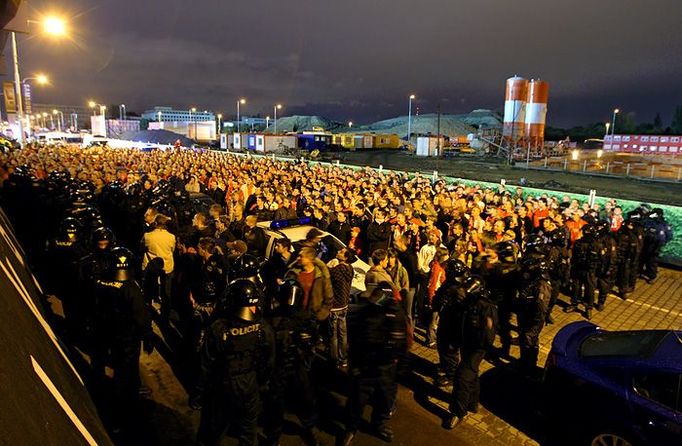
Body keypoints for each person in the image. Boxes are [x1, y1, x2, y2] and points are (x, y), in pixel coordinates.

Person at [193, 279, 275, 446]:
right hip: (250, 384)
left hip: (225, 384)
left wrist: (198, 392)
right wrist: (262, 383)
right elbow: (269, 361)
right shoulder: (263, 327)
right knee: (249, 429)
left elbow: (206, 364)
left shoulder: (219, 328)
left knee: (215, 429)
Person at [92, 247, 154, 430]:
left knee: (106, 367)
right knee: (125, 374)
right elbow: (140, 315)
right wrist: (147, 336)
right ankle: (124, 414)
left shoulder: (100, 282)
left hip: (105, 333)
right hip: (126, 339)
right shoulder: (131, 288)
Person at [343, 282, 408, 445]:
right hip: (365, 366)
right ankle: (351, 427)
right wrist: (354, 365)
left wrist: (400, 369)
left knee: (384, 400)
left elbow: (403, 342)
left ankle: (379, 424)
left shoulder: (397, 314)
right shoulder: (365, 312)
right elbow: (354, 338)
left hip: (386, 368)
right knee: (357, 400)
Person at [263, 279, 321, 446]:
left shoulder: (304, 316)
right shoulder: (273, 318)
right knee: (275, 404)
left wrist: (306, 345)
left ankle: (309, 427)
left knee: (306, 398)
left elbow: (314, 337)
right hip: (278, 366)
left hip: (297, 364)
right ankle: (273, 436)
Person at [444, 276, 497, 430]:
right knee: (472, 374)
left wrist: (481, 348)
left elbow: (489, 334)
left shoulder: (486, 307)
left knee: (462, 377)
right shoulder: (468, 302)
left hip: (477, 348)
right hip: (466, 343)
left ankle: (457, 412)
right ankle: (473, 402)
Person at [433, 259, 469, 387]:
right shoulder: (449, 284)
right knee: (442, 346)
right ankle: (445, 366)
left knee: (450, 350)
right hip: (446, 321)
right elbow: (439, 299)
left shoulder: (459, 289)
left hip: (453, 325)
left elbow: (462, 309)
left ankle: (451, 375)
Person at [516, 257, 551, 377]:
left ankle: (529, 367)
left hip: (533, 319)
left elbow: (541, 308)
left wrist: (535, 322)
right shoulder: (533, 281)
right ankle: (525, 361)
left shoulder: (541, 285)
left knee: (529, 340)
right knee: (526, 340)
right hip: (526, 315)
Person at [141, 214, 176, 319]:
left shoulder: (147, 236)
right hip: (167, 266)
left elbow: (142, 247)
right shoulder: (171, 237)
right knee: (166, 291)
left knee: (149, 288)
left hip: (150, 266)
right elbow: (172, 249)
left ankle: (148, 310)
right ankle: (165, 312)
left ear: (155, 223)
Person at [285, 246, 334, 322]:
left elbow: (329, 298)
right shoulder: (293, 273)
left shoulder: (320, 276)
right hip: (293, 316)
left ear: (310, 259)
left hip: (312, 318)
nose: (298, 258)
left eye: (301, 256)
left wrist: (320, 316)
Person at [565, 224, 600, 320]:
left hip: (589, 269)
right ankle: (576, 303)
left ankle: (588, 307)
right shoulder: (579, 242)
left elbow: (599, 258)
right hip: (579, 268)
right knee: (577, 287)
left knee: (588, 288)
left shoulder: (595, 243)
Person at [327, 248, 354, 368]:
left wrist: (330, 266)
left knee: (334, 335)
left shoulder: (337, 270)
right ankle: (343, 358)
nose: (338, 251)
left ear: (345, 257)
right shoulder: (350, 269)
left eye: (341, 252)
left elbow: (327, 275)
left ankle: (334, 359)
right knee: (343, 333)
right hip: (344, 305)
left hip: (335, 306)